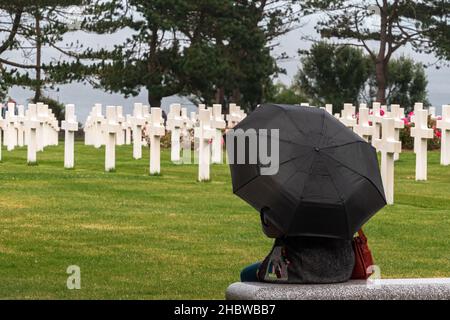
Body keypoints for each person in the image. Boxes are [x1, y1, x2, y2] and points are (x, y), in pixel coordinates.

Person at [240, 209, 355, 284]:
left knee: (246, 274)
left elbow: (271, 232)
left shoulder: (289, 195)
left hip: (299, 268)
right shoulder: (343, 196)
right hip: (342, 269)